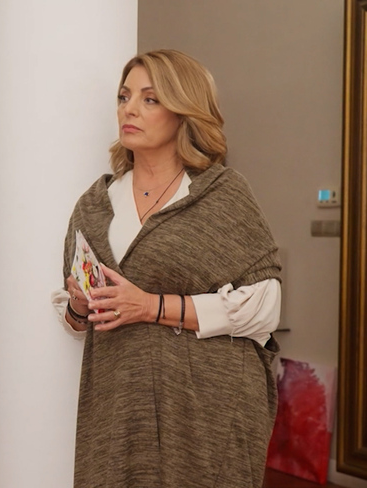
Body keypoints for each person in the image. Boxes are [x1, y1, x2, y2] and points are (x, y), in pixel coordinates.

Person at [53, 49, 282, 487]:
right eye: (124, 97)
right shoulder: (95, 204)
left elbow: (264, 307)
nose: (129, 109)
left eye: (150, 99)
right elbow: (76, 318)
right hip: (118, 402)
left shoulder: (223, 194)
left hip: (208, 405)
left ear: (183, 112)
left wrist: (150, 306)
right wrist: (81, 306)